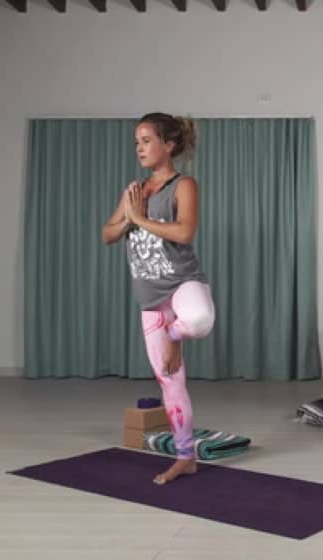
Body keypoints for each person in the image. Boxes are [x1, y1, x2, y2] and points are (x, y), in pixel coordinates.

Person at [102, 113, 215, 482]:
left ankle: (176, 336)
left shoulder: (184, 185)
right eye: (137, 142)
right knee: (171, 383)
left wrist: (137, 218)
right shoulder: (135, 191)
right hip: (151, 298)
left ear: (168, 145)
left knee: (198, 321)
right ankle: (185, 456)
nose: (140, 148)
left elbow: (184, 232)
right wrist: (129, 216)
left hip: (183, 283)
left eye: (147, 140)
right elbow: (107, 233)